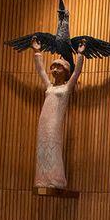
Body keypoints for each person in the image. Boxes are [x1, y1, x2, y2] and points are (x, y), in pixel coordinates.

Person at [32, 37, 85, 189]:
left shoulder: (67, 88)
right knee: (42, 148)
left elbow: (77, 73)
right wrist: (37, 52)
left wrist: (80, 55)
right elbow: (41, 70)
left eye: (58, 67)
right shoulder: (49, 86)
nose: (54, 70)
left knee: (53, 147)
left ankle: (56, 179)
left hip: (54, 122)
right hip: (43, 120)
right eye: (53, 67)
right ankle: (42, 179)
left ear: (66, 70)